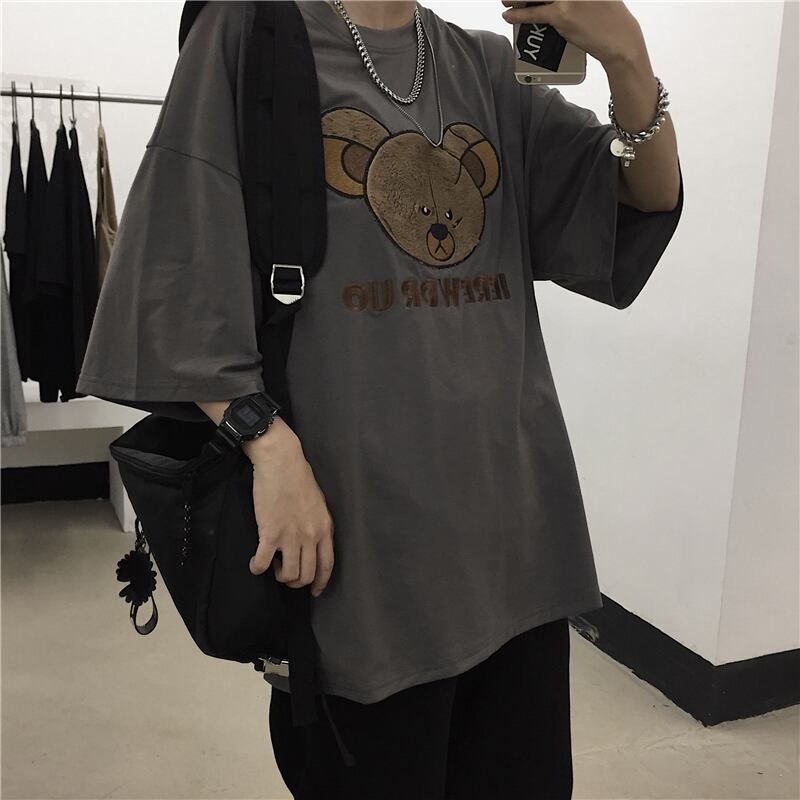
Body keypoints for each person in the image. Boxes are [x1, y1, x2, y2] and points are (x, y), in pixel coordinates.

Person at [77, 0, 683, 797]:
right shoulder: (251, 34)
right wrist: (268, 446)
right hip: (359, 566)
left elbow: (641, 199)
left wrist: (627, 56)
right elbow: (176, 275)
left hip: (517, 550)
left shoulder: (486, 68)